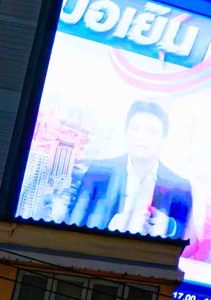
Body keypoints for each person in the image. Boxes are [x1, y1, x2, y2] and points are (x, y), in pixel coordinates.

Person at [66, 99, 193, 238]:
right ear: (126, 133)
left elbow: (188, 239)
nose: (142, 137)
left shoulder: (180, 187)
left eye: (152, 131)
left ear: (164, 139)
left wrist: (170, 227)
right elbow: (73, 226)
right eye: (135, 128)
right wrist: (111, 226)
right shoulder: (98, 172)